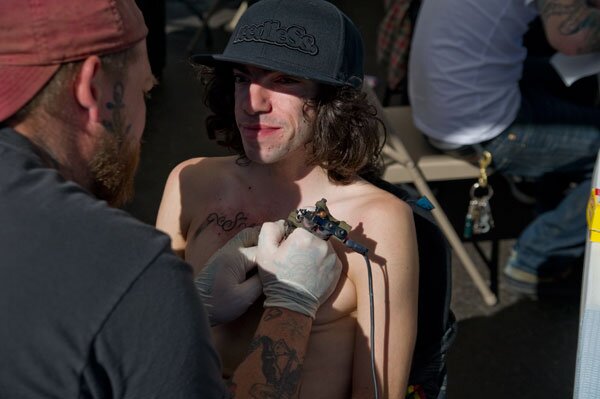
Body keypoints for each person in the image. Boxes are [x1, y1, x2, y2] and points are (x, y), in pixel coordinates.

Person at [0, 0, 343, 398]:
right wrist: (291, 307)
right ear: (92, 88)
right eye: (143, 91)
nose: (254, 102)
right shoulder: (133, 276)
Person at [156, 0, 420, 397]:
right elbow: (142, 342)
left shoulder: (379, 219)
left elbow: (379, 392)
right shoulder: (192, 180)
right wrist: (193, 309)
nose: (252, 102)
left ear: (334, 101)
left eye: (283, 80)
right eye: (243, 78)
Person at [408, 0, 600, 295]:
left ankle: (548, 197)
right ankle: (537, 257)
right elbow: (570, 39)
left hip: (444, 107)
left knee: (566, 82)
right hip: (481, 130)